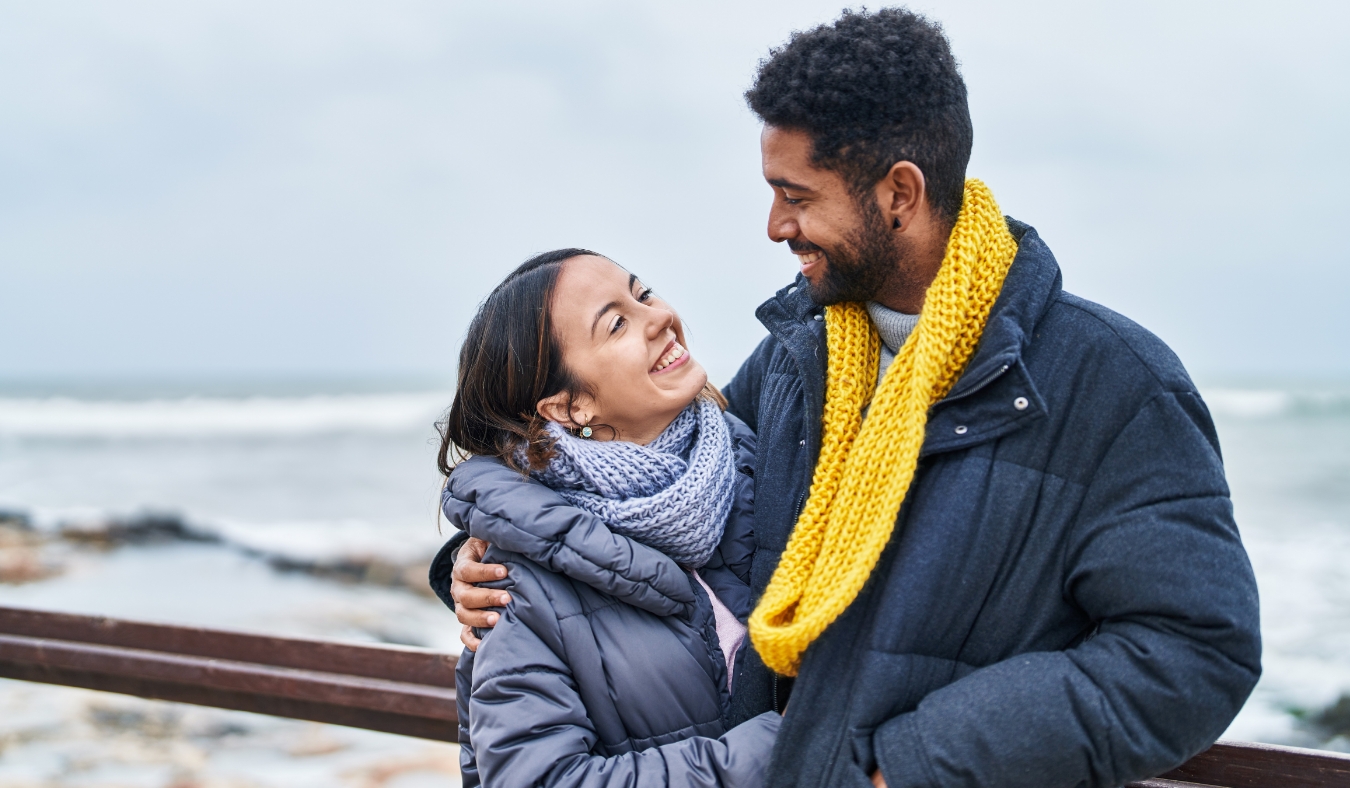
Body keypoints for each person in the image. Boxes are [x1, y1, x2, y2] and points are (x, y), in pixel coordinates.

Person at [448, 9, 1262, 788]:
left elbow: (1195, 650)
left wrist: (917, 764)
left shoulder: (1114, 384)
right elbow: (663, 521)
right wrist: (478, 567)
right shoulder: (794, 364)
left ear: (898, 194)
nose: (774, 225)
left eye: (797, 196)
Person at [429, 249, 780, 787]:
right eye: (617, 324)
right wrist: (792, 749)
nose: (659, 316)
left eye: (643, 294)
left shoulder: (761, 459)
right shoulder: (517, 586)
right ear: (570, 408)